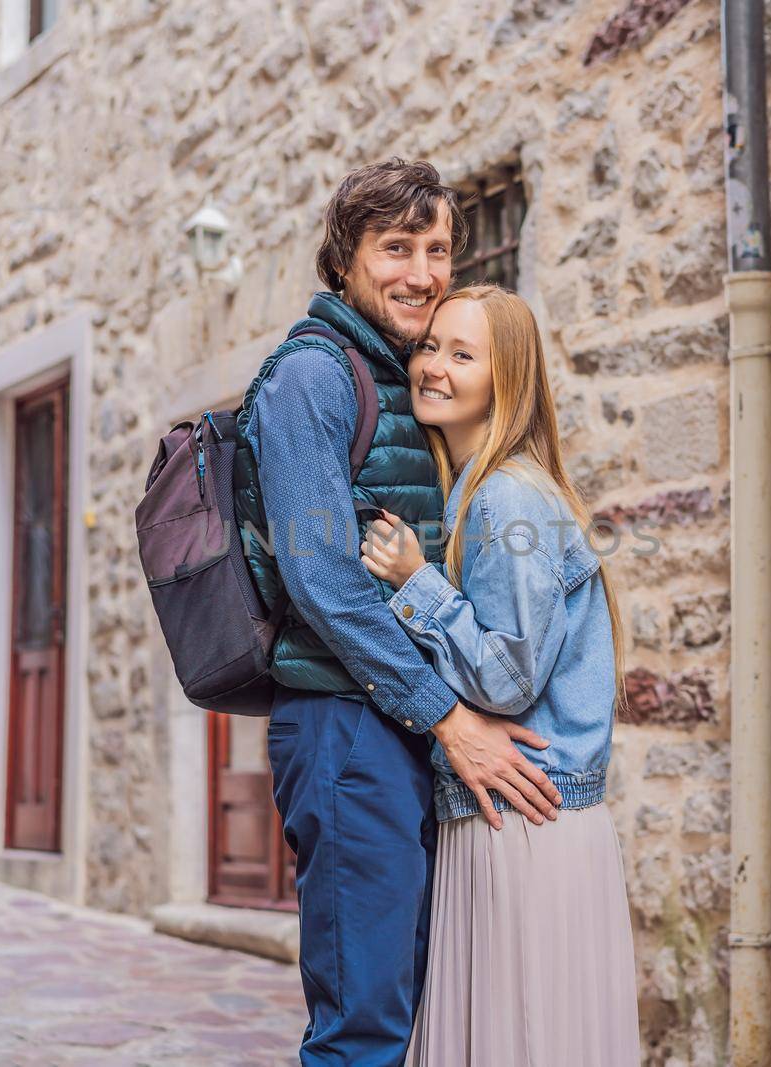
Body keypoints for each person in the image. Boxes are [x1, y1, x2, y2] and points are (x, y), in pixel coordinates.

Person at [242, 161, 564, 1066]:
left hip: (387, 727)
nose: (422, 272)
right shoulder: (312, 376)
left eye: (437, 250)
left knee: (405, 1007)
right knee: (363, 1025)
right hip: (346, 731)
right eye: (396, 248)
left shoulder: (398, 373)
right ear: (344, 259)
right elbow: (323, 578)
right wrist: (450, 717)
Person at [360, 284, 641, 1066]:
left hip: (522, 815)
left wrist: (417, 581)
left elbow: (508, 676)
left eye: (462, 353)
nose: (433, 366)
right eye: (429, 346)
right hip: (526, 813)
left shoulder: (502, 497)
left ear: (506, 379)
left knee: (518, 1038)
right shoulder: (483, 491)